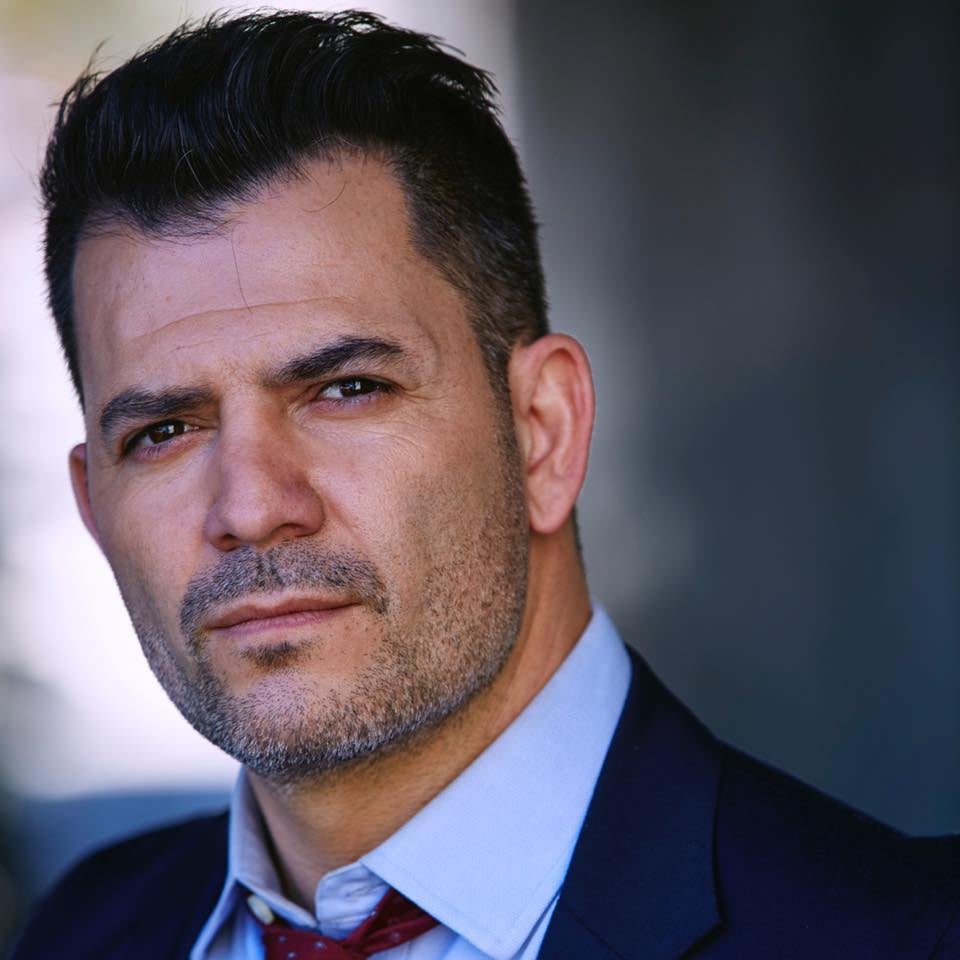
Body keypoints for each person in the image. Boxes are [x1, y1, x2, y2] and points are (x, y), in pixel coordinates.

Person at [11, 10, 960, 960]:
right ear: (96, 509)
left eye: (348, 389)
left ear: (543, 431)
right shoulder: (80, 935)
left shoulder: (900, 940)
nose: (252, 508)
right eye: (164, 432)